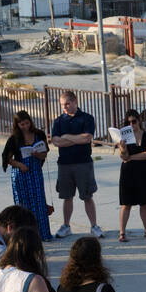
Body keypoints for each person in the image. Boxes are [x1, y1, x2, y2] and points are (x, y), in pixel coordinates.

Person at [48, 89, 101, 239]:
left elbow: (87, 138)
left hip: (83, 163)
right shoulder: (58, 121)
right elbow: (56, 141)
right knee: (67, 196)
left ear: (75, 102)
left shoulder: (87, 118)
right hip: (64, 164)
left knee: (87, 196)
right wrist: (74, 139)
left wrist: (67, 137)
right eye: (62, 105)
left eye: (67, 104)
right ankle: (66, 226)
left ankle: (94, 226)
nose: (64, 107)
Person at [2, 110, 53, 242]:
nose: (25, 126)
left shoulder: (39, 134)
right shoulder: (14, 139)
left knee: (39, 202)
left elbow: (44, 154)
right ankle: (24, 236)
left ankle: (43, 234)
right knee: (23, 204)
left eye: (26, 123)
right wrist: (19, 165)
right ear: (17, 125)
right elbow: (7, 158)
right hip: (20, 173)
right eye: (22, 124)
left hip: (35, 172)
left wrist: (38, 155)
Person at [117, 108, 146, 243]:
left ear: (139, 121)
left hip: (144, 171)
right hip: (128, 172)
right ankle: (122, 232)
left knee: (144, 203)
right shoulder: (124, 137)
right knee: (126, 203)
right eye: (128, 122)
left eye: (134, 121)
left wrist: (131, 157)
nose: (131, 125)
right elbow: (124, 158)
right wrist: (123, 149)